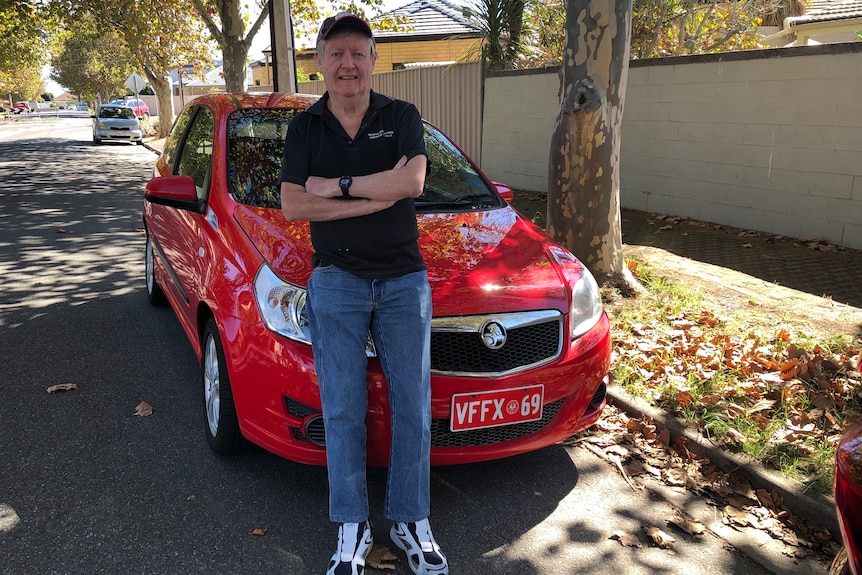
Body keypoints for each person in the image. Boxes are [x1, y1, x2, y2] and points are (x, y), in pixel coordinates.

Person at [279, 12, 449, 575]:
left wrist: (342, 186)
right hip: (336, 282)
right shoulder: (306, 128)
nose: (347, 64)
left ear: (373, 60)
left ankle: (409, 520)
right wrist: (379, 196)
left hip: (404, 281)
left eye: (358, 53)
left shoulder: (401, 115)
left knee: (412, 408)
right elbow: (295, 205)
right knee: (344, 410)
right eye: (336, 54)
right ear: (320, 63)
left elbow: (414, 183)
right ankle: (351, 527)